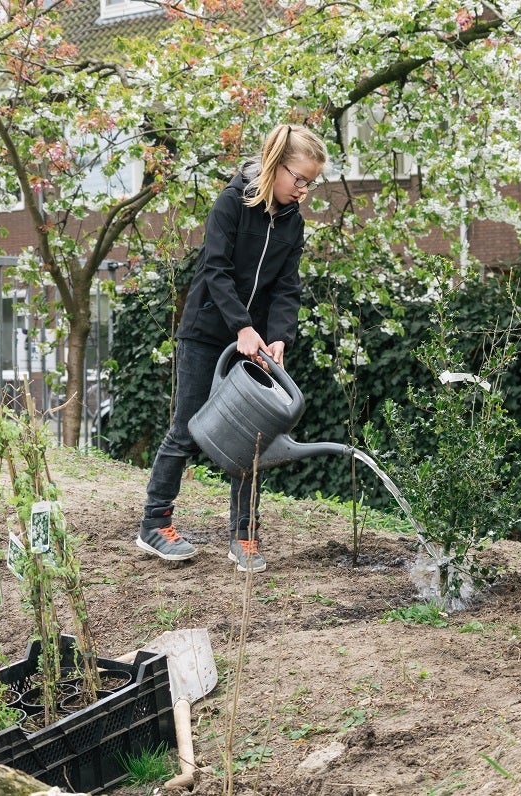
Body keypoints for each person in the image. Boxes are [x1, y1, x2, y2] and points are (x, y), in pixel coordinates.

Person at [136, 123, 328, 573]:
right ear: (275, 163)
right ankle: (154, 524)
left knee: (254, 440)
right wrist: (240, 325)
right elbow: (216, 270)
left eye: (310, 183)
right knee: (186, 429)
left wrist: (278, 335)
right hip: (207, 332)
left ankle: (244, 537)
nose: (303, 190)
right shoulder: (232, 203)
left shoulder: (292, 222)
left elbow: (287, 287)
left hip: (257, 341)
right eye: (298, 178)